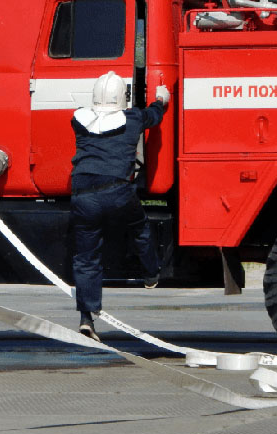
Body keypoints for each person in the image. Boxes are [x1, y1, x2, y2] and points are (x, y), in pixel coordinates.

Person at [70, 71, 170, 342]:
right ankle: (150, 274)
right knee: (139, 228)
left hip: (83, 194)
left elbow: (92, 119)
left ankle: (86, 318)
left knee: (87, 258)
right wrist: (161, 99)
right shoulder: (132, 119)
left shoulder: (79, 119)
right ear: (121, 98)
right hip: (116, 191)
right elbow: (154, 115)